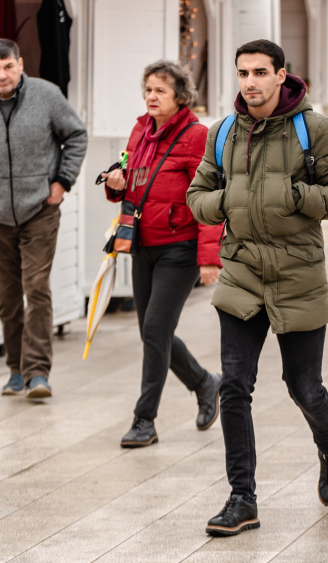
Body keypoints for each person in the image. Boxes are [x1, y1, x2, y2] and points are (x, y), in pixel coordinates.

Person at [187, 40, 328, 537]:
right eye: (243, 72)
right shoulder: (223, 132)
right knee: (235, 386)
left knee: (303, 386)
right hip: (241, 272)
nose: (250, 82)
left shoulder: (313, 129)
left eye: (260, 72)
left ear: (281, 75)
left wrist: (296, 195)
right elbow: (197, 195)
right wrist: (224, 202)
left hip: (298, 274)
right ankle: (241, 498)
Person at [0, 39, 88, 399]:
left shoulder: (47, 95)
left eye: (8, 67)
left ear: (20, 64)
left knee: (36, 288)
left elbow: (76, 136)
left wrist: (62, 182)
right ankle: (15, 369)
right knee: (8, 296)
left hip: (39, 208)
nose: (2, 75)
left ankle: (38, 373)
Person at [103, 60, 223, 447]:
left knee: (155, 330)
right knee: (152, 331)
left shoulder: (196, 136)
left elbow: (208, 198)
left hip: (180, 247)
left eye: (160, 91)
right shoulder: (140, 130)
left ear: (180, 97)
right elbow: (133, 177)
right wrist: (117, 184)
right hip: (143, 243)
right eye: (148, 90)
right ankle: (206, 383)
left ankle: (144, 420)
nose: (151, 97)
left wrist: (209, 257)